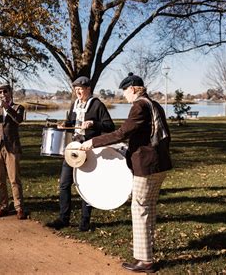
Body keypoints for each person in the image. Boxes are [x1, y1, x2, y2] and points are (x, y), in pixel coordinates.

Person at [80, 72, 173, 273]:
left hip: (146, 166)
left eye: (125, 92)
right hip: (160, 164)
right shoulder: (153, 104)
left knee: (139, 209)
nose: (124, 96)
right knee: (149, 208)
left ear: (132, 89)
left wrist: (92, 142)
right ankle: (148, 248)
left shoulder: (139, 105)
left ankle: (145, 260)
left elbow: (122, 132)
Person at [46, 76, 115, 232]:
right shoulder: (74, 104)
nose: (77, 92)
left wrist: (94, 123)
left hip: (88, 149)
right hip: (73, 148)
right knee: (64, 184)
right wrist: (65, 125)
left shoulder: (97, 105)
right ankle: (63, 219)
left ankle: (85, 221)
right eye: (76, 89)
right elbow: (72, 123)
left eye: (80, 89)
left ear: (88, 89)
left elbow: (110, 126)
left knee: (86, 185)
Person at [0, 84, 27, 220]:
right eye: (0, 92)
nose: (2, 94)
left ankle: (19, 208)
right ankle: (3, 206)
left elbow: (19, 120)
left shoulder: (18, 107)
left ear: (10, 93)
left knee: (14, 179)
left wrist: (7, 107)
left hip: (11, 147)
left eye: (4, 91)